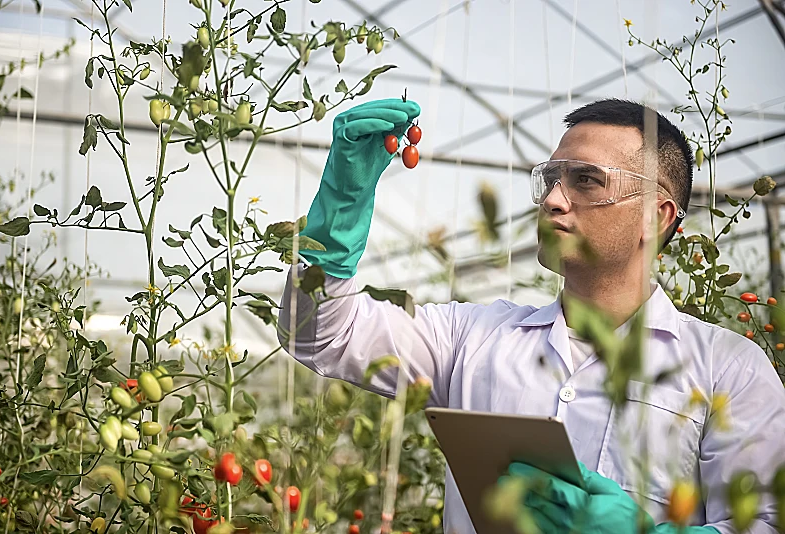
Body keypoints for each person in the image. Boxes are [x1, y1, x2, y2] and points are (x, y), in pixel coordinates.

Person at [278, 98, 785, 534]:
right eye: (550, 179)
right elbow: (322, 334)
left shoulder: (729, 371)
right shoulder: (472, 340)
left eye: (586, 180)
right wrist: (332, 228)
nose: (554, 200)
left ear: (656, 217)